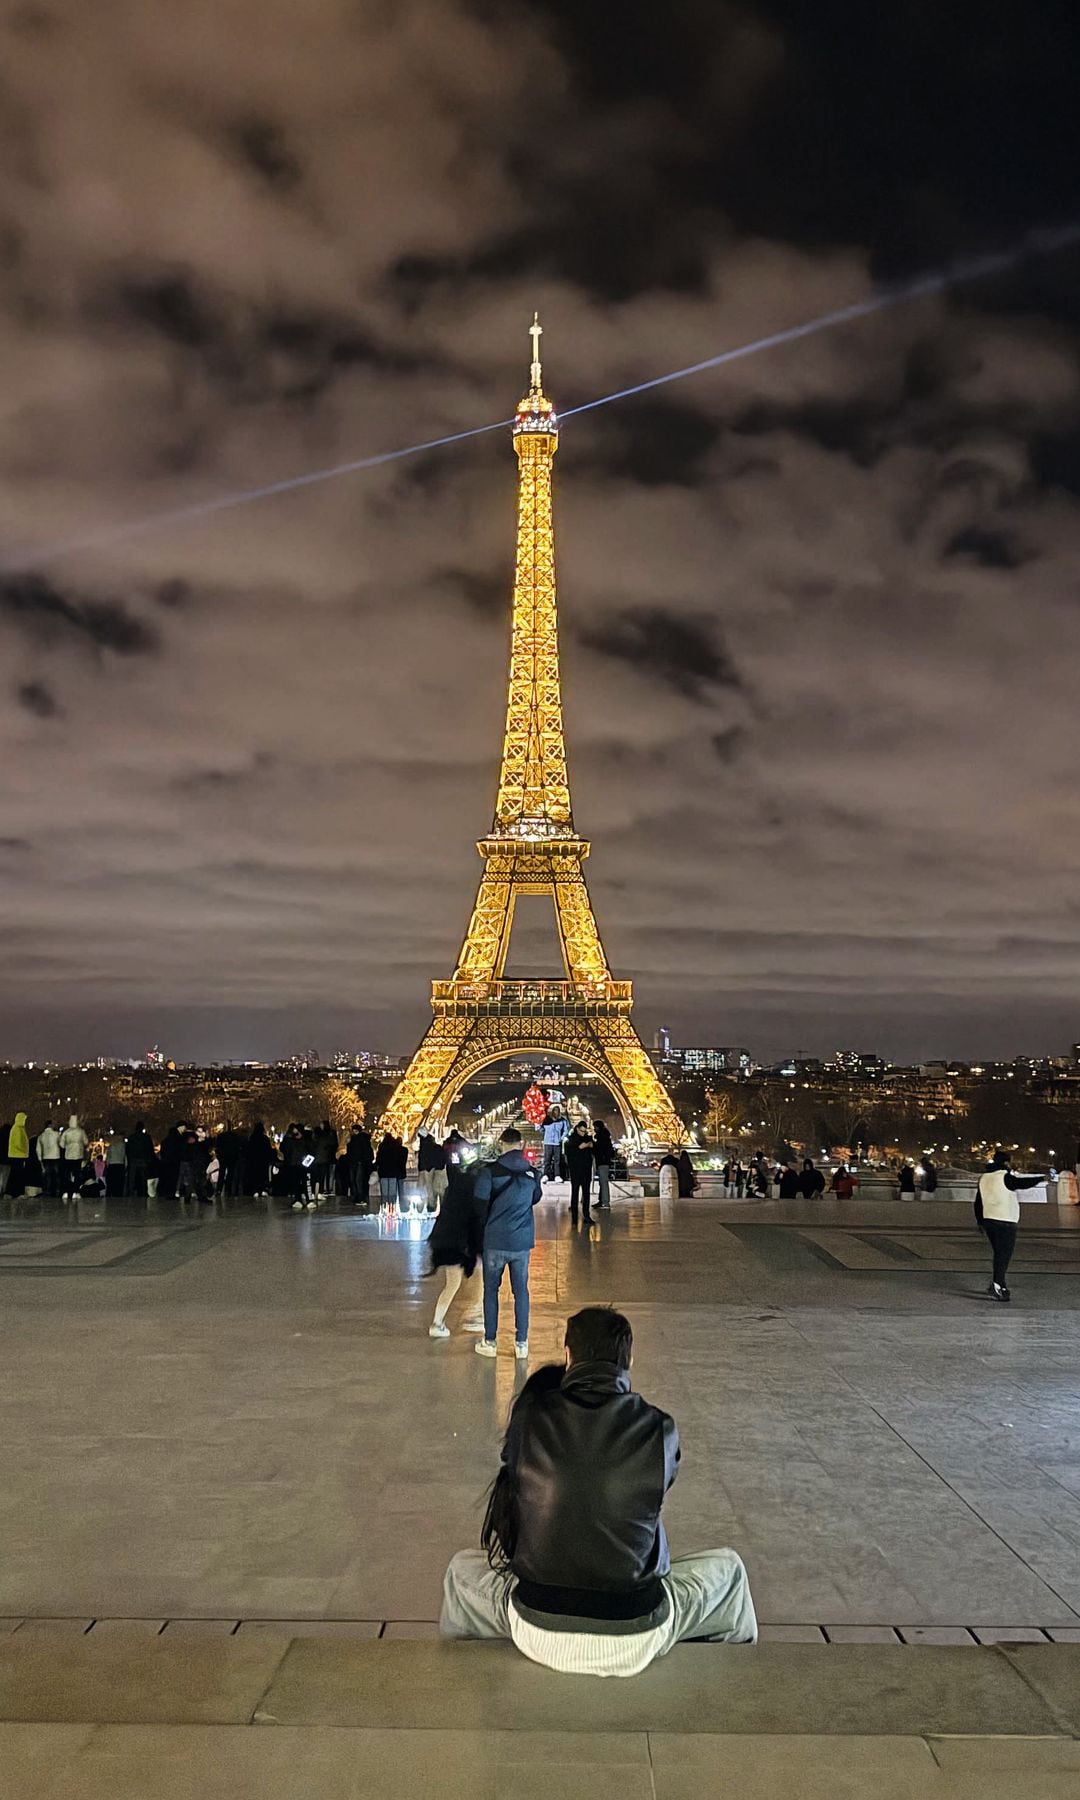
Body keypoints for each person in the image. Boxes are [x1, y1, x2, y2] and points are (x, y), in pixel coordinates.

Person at [441, 1305, 757, 1669]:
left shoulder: (529, 1418)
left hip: (536, 1628)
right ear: (630, 1360)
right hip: (636, 1632)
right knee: (729, 1572)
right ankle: (740, 1686)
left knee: (461, 1572)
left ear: (568, 1355)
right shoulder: (659, 1429)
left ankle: (457, 1682)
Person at [472, 1126, 542, 1360]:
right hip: (521, 1242)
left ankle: (490, 1341)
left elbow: (479, 1208)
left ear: (501, 1144)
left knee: (490, 1290)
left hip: (494, 1240)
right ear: (520, 1144)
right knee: (521, 1291)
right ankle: (521, 1343)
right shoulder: (532, 1173)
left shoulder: (489, 1172)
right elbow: (535, 1199)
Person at [426, 1159, 485, 1338]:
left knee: (452, 1284)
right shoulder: (475, 1193)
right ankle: (475, 1316)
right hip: (463, 1244)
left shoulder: (454, 1190)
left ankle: (438, 1322)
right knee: (480, 1277)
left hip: (446, 1242)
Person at [975, 1150, 1043, 1302]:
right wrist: (1040, 1178)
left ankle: (999, 1283)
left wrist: (979, 1221)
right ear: (1005, 1163)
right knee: (1004, 1254)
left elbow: (978, 1202)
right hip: (1005, 1220)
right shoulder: (1004, 1176)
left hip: (989, 1220)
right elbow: (1020, 1184)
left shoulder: (984, 1178)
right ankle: (997, 1286)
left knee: (999, 1253)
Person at [565, 1120, 595, 1225]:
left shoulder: (586, 1138)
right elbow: (569, 1153)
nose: (583, 1133)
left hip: (585, 1170)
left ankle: (586, 1215)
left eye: (584, 1131)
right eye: (582, 1131)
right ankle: (575, 1216)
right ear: (577, 1129)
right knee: (575, 1193)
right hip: (576, 1170)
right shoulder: (571, 1140)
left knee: (586, 1194)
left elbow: (593, 1148)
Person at [59, 1113, 88, 1202]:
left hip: (68, 1156)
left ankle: (67, 1192)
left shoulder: (66, 1132)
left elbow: (61, 1145)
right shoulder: (81, 1132)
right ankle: (76, 1191)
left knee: (67, 1175)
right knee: (77, 1174)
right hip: (78, 1156)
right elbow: (86, 1142)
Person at [0, 1111, 30, 1197]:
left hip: (17, 1155)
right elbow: (18, 1143)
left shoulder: (17, 1128)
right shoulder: (18, 1129)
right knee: (17, 1174)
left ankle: (12, 1192)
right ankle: (15, 1192)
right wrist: (24, 1150)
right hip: (18, 1155)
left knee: (15, 1174)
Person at [243, 1122, 276, 1199]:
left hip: (253, 1161)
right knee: (262, 1176)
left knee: (255, 1176)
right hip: (263, 1161)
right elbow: (268, 1150)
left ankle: (255, 1190)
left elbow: (248, 1150)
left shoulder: (252, 1138)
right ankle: (262, 1189)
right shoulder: (265, 1139)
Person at [417, 1131, 448, 1212]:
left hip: (426, 1169)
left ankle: (426, 1205)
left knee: (426, 1188)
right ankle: (434, 1205)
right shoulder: (435, 1147)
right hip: (435, 1169)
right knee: (434, 1189)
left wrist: (421, 1168)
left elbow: (422, 1158)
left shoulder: (423, 1146)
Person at [345, 1124, 374, 1206]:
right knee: (357, 1180)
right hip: (358, 1163)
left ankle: (359, 1197)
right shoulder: (361, 1140)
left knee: (357, 1180)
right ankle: (360, 1197)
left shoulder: (358, 1139)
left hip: (357, 1163)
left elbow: (355, 1151)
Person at [376, 1132, 406, 1210]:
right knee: (392, 1191)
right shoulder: (395, 1147)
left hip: (383, 1172)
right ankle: (392, 1206)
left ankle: (384, 1206)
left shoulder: (381, 1146)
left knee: (384, 1191)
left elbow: (378, 1159)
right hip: (393, 1172)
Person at [125, 1121, 155, 1198]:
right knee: (143, 1177)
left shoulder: (131, 1137)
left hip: (133, 1159)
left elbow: (128, 1150)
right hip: (143, 1159)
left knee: (132, 1178)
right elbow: (150, 1149)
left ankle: (131, 1193)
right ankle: (143, 1192)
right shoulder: (147, 1137)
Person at [592, 1115, 615, 1210]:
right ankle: (602, 1200)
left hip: (602, 1162)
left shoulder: (602, 1140)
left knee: (603, 1182)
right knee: (602, 1182)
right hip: (604, 1162)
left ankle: (605, 1202)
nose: (594, 1129)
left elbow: (598, 1150)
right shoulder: (605, 1139)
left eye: (595, 1127)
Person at [36, 1118, 63, 1200]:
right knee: (57, 1175)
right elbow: (61, 1144)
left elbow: (38, 1149)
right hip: (55, 1157)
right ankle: (57, 1191)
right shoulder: (56, 1134)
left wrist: (40, 1159)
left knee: (48, 1176)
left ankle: (47, 1191)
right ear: (50, 1125)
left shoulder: (41, 1136)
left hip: (46, 1158)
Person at [312, 1119, 338, 1199]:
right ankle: (322, 1190)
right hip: (325, 1158)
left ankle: (317, 1191)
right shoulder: (328, 1136)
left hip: (320, 1158)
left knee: (318, 1176)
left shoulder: (318, 1137)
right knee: (323, 1176)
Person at [541, 1109, 569, 1183]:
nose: (556, 1112)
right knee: (547, 1159)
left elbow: (566, 1130)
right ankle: (545, 1175)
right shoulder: (546, 1119)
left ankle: (557, 1175)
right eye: (554, 1110)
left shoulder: (563, 1120)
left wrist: (561, 1138)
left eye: (557, 1111)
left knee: (557, 1160)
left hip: (557, 1143)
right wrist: (538, 1124)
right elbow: (541, 1129)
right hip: (548, 1142)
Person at [104, 1130, 127, 1198]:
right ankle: (118, 1195)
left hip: (112, 1165)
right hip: (120, 1164)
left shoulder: (111, 1146)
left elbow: (108, 1157)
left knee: (111, 1183)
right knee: (119, 1183)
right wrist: (125, 1166)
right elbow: (124, 1156)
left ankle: (110, 1195)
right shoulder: (123, 1145)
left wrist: (107, 1165)